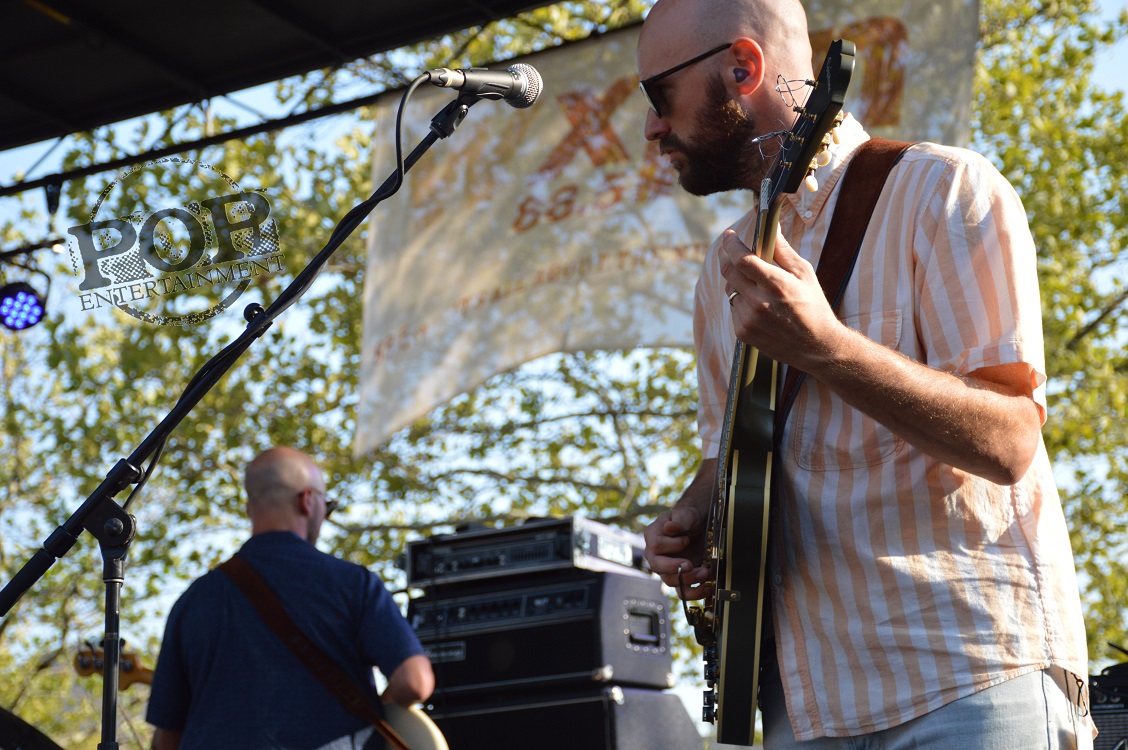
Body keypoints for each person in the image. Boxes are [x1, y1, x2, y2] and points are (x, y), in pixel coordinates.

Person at [637, 0, 1093, 747]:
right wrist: (691, 522)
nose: (652, 126)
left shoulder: (943, 190)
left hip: (966, 682)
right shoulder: (724, 265)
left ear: (743, 68)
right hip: (806, 706)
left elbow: (1013, 440)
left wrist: (830, 349)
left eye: (659, 95)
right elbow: (728, 461)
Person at [146, 446, 433, 749]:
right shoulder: (353, 584)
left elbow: (167, 738)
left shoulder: (193, 601)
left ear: (249, 509)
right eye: (327, 505)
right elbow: (414, 683)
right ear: (307, 501)